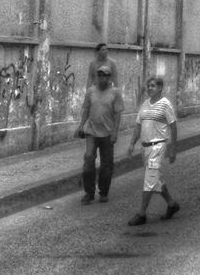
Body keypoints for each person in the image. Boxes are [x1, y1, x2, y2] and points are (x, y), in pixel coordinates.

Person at [126, 74, 179, 225]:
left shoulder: (165, 104)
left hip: (158, 147)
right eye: (148, 85)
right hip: (145, 148)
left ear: (160, 88)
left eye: (153, 85)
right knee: (155, 179)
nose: (150, 88)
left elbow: (173, 125)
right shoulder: (145, 105)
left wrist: (173, 148)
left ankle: (141, 214)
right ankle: (171, 204)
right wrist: (131, 144)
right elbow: (138, 125)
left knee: (149, 179)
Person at [76, 65, 123, 204]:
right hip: (91, 131)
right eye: (100, 75)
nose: (102, 78)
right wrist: (81, 126)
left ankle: (103, 192)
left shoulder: (115, 93)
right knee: (89, 159)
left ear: (109, 77)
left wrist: (115, 131)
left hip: (107, 133)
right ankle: (89, 193)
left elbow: (118, 113)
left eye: (105, 75)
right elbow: (85, 109)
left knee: (106, 164)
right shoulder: (91, 91)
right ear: (97, 76)